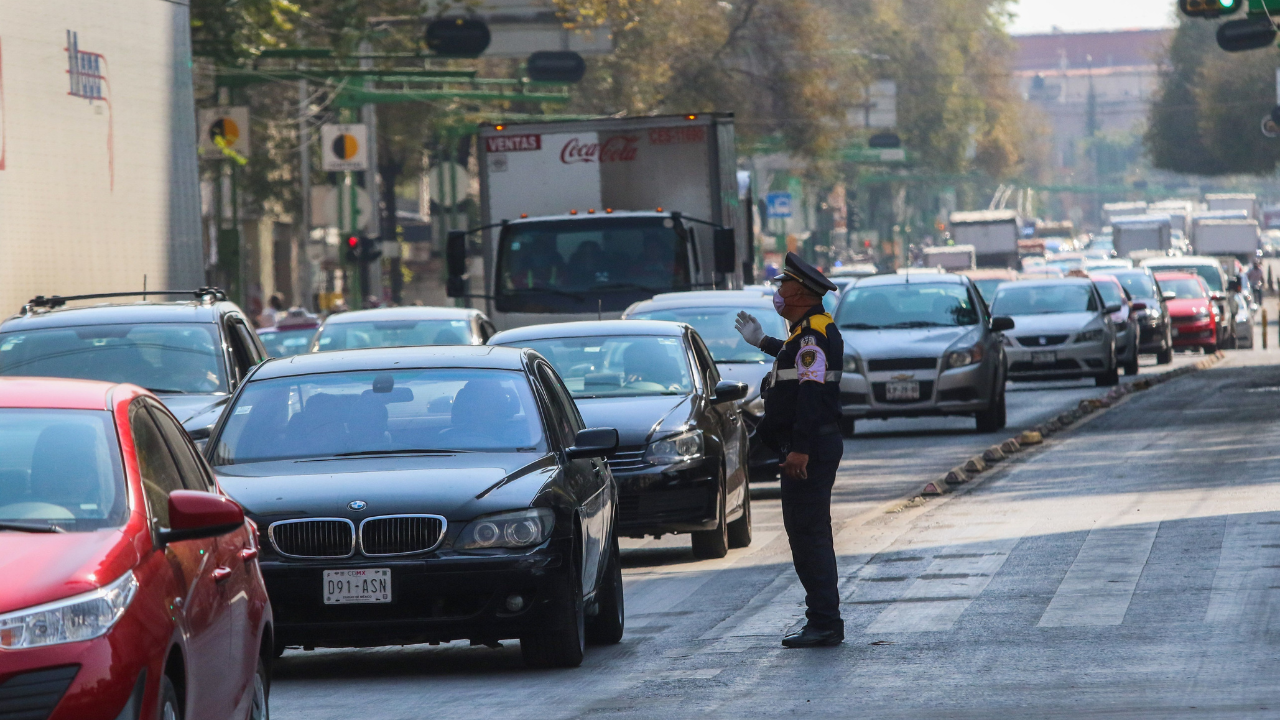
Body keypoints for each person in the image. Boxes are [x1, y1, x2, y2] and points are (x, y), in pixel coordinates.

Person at [734, 252, 844, 648]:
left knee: (809, 534)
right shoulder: (807, 332)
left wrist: (799, 450)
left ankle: (825, 622)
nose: (778, 291)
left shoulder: (813, 334)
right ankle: (823, 618)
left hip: (809, 450)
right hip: (810, 446)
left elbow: (811, 394)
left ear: (798, 291)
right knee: (808, 533)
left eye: (783, 285)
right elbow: (797, 362)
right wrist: (763, 342)